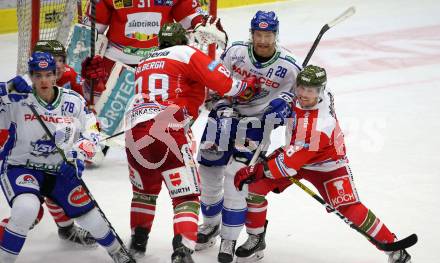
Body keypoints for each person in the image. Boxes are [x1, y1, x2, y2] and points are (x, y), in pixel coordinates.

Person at [233, 65, 413, 263]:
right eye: (301, 88)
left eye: (310, 91)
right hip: (296, 153)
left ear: (320, 91)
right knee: (254, 190)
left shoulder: (319, 125)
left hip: (328, 165)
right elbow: (294, 105)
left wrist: (258, 169)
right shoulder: (320, 94)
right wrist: (285, 100)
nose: (303, 94)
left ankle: (396, 250)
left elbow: (286, 166)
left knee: (348, 207)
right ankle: (256, 238)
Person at [124, 22, 260, 263]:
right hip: (168, 131)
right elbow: (225, 84)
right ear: (183, 40)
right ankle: (182, 251)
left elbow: (182, 85)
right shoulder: (186, 52)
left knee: (144, 194)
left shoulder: (144, 62)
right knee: (185, 197)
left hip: (134, 132)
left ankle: (137, 244)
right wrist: (245, 88)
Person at [0, 52, 134, 263]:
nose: (43, 80)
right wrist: (5, 89)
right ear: (31, 76)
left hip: (59, 169)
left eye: (47, 74)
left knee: (93, 220)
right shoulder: (17, 100)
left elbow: (91, 131)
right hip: (22, 167)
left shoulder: (73, 101)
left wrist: (81, 151)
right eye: (37, 75)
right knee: (26, 209)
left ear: (56, 75)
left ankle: (118, 253)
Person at [195, 10, 301, 263]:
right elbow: (214, 78)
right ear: (251, 34)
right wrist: (220, 105)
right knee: (208, 170)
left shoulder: (290, 66)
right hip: (223, 116)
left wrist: (284, 107)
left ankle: (229, 241)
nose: (263, 40)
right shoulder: (235, 52)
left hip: (255, 125)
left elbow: (303, 98)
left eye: (268, 35)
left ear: (276, 35)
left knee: (237, 178)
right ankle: (210, 224)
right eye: (258, 34)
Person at [0, 39, 98, 248]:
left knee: (60, 180)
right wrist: (6, 88)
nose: (59, 65)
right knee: (30, 212)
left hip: (53, 147)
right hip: (19, 154)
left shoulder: (71, 78)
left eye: (61, 60)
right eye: (53, 60)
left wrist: (96, 83)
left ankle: (66, 228)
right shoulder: (24, 87)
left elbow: (88, 112)